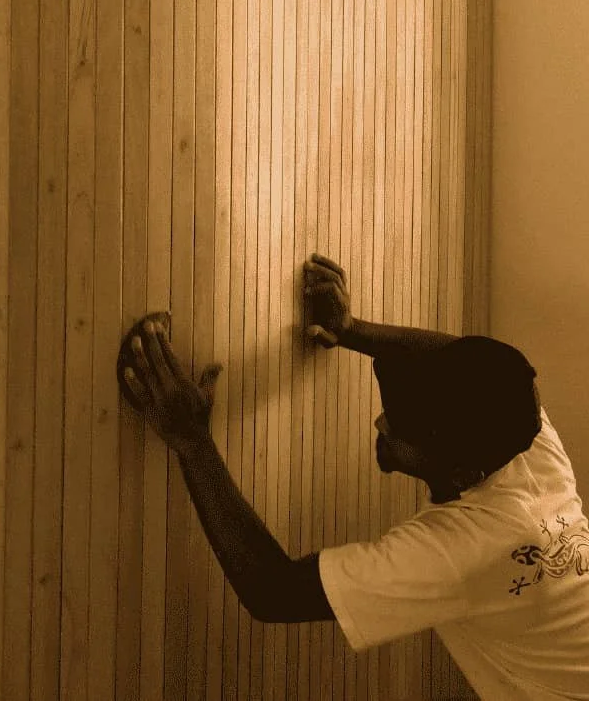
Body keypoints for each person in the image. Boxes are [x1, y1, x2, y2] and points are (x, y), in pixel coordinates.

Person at [118, 253, 589, 699]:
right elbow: (473, 358)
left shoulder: (467, 549)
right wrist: (352, 330)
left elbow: (274, 592)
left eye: (401, 431)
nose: (380, 424)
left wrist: (193, 440)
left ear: (462, 470)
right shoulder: (518, 435)